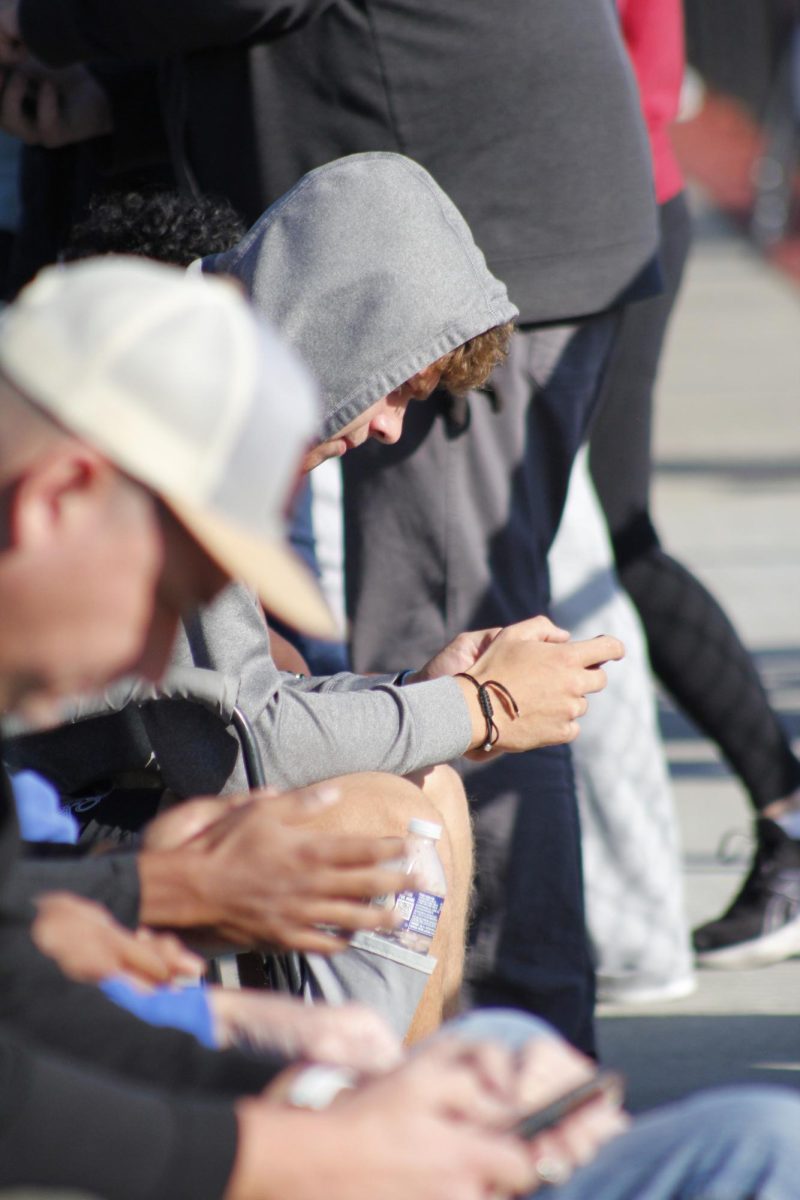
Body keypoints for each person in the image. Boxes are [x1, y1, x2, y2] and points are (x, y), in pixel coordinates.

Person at [587, 0, 800, 970]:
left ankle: (785, 821)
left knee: (611, 537)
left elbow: (650, 80)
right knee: (589, 539)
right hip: (569, 231)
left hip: (601, 230)